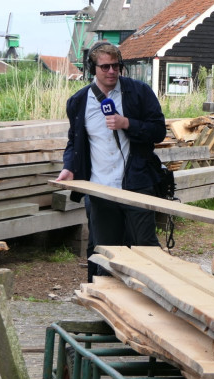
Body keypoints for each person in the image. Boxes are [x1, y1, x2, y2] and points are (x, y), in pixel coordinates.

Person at [56, 42, 167, 281]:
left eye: (116, 66)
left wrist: (127, 123)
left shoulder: (139, 92)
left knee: (146, 247)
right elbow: (75, 142)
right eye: (105, 66)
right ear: (92, 68)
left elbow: (158, 131)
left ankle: (153, 303)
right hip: (99, 189)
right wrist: (69, 167)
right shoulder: (78, 102)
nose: (111, 71)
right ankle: (105, 305)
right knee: (104, 250)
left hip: (136, 184)